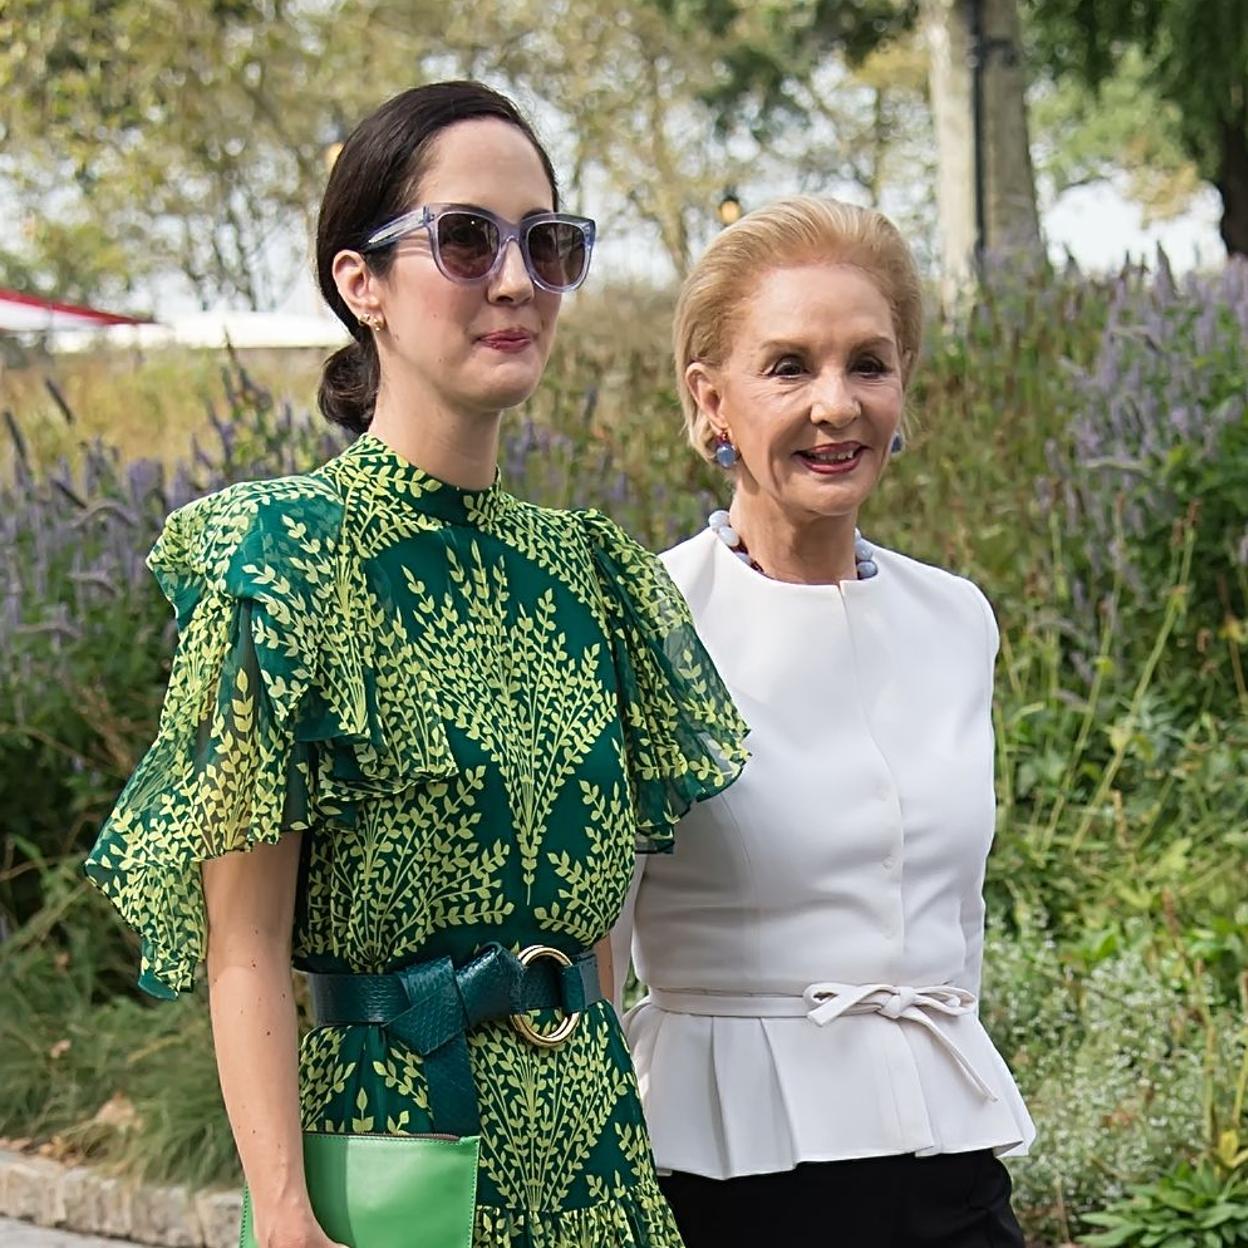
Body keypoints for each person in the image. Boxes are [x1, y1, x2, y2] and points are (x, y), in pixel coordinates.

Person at [84, 80, 748, 1248]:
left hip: (592, 1167)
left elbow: (597, 928)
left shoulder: (591, 570)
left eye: (547, 244)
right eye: (468, 239)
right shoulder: (287, 561)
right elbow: (244, 946)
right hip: (392, 1154)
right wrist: (283, 1213)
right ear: (362, 284)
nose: (517, 280)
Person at [612, 196, 1035, 1248]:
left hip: (949, 1167)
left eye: (869, 365)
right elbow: (592, 950)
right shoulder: (644, 623)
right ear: (711, 401)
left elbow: (956, 922)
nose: (836, 404)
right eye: (789, 367)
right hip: (726, 1174)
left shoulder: (957, 619)